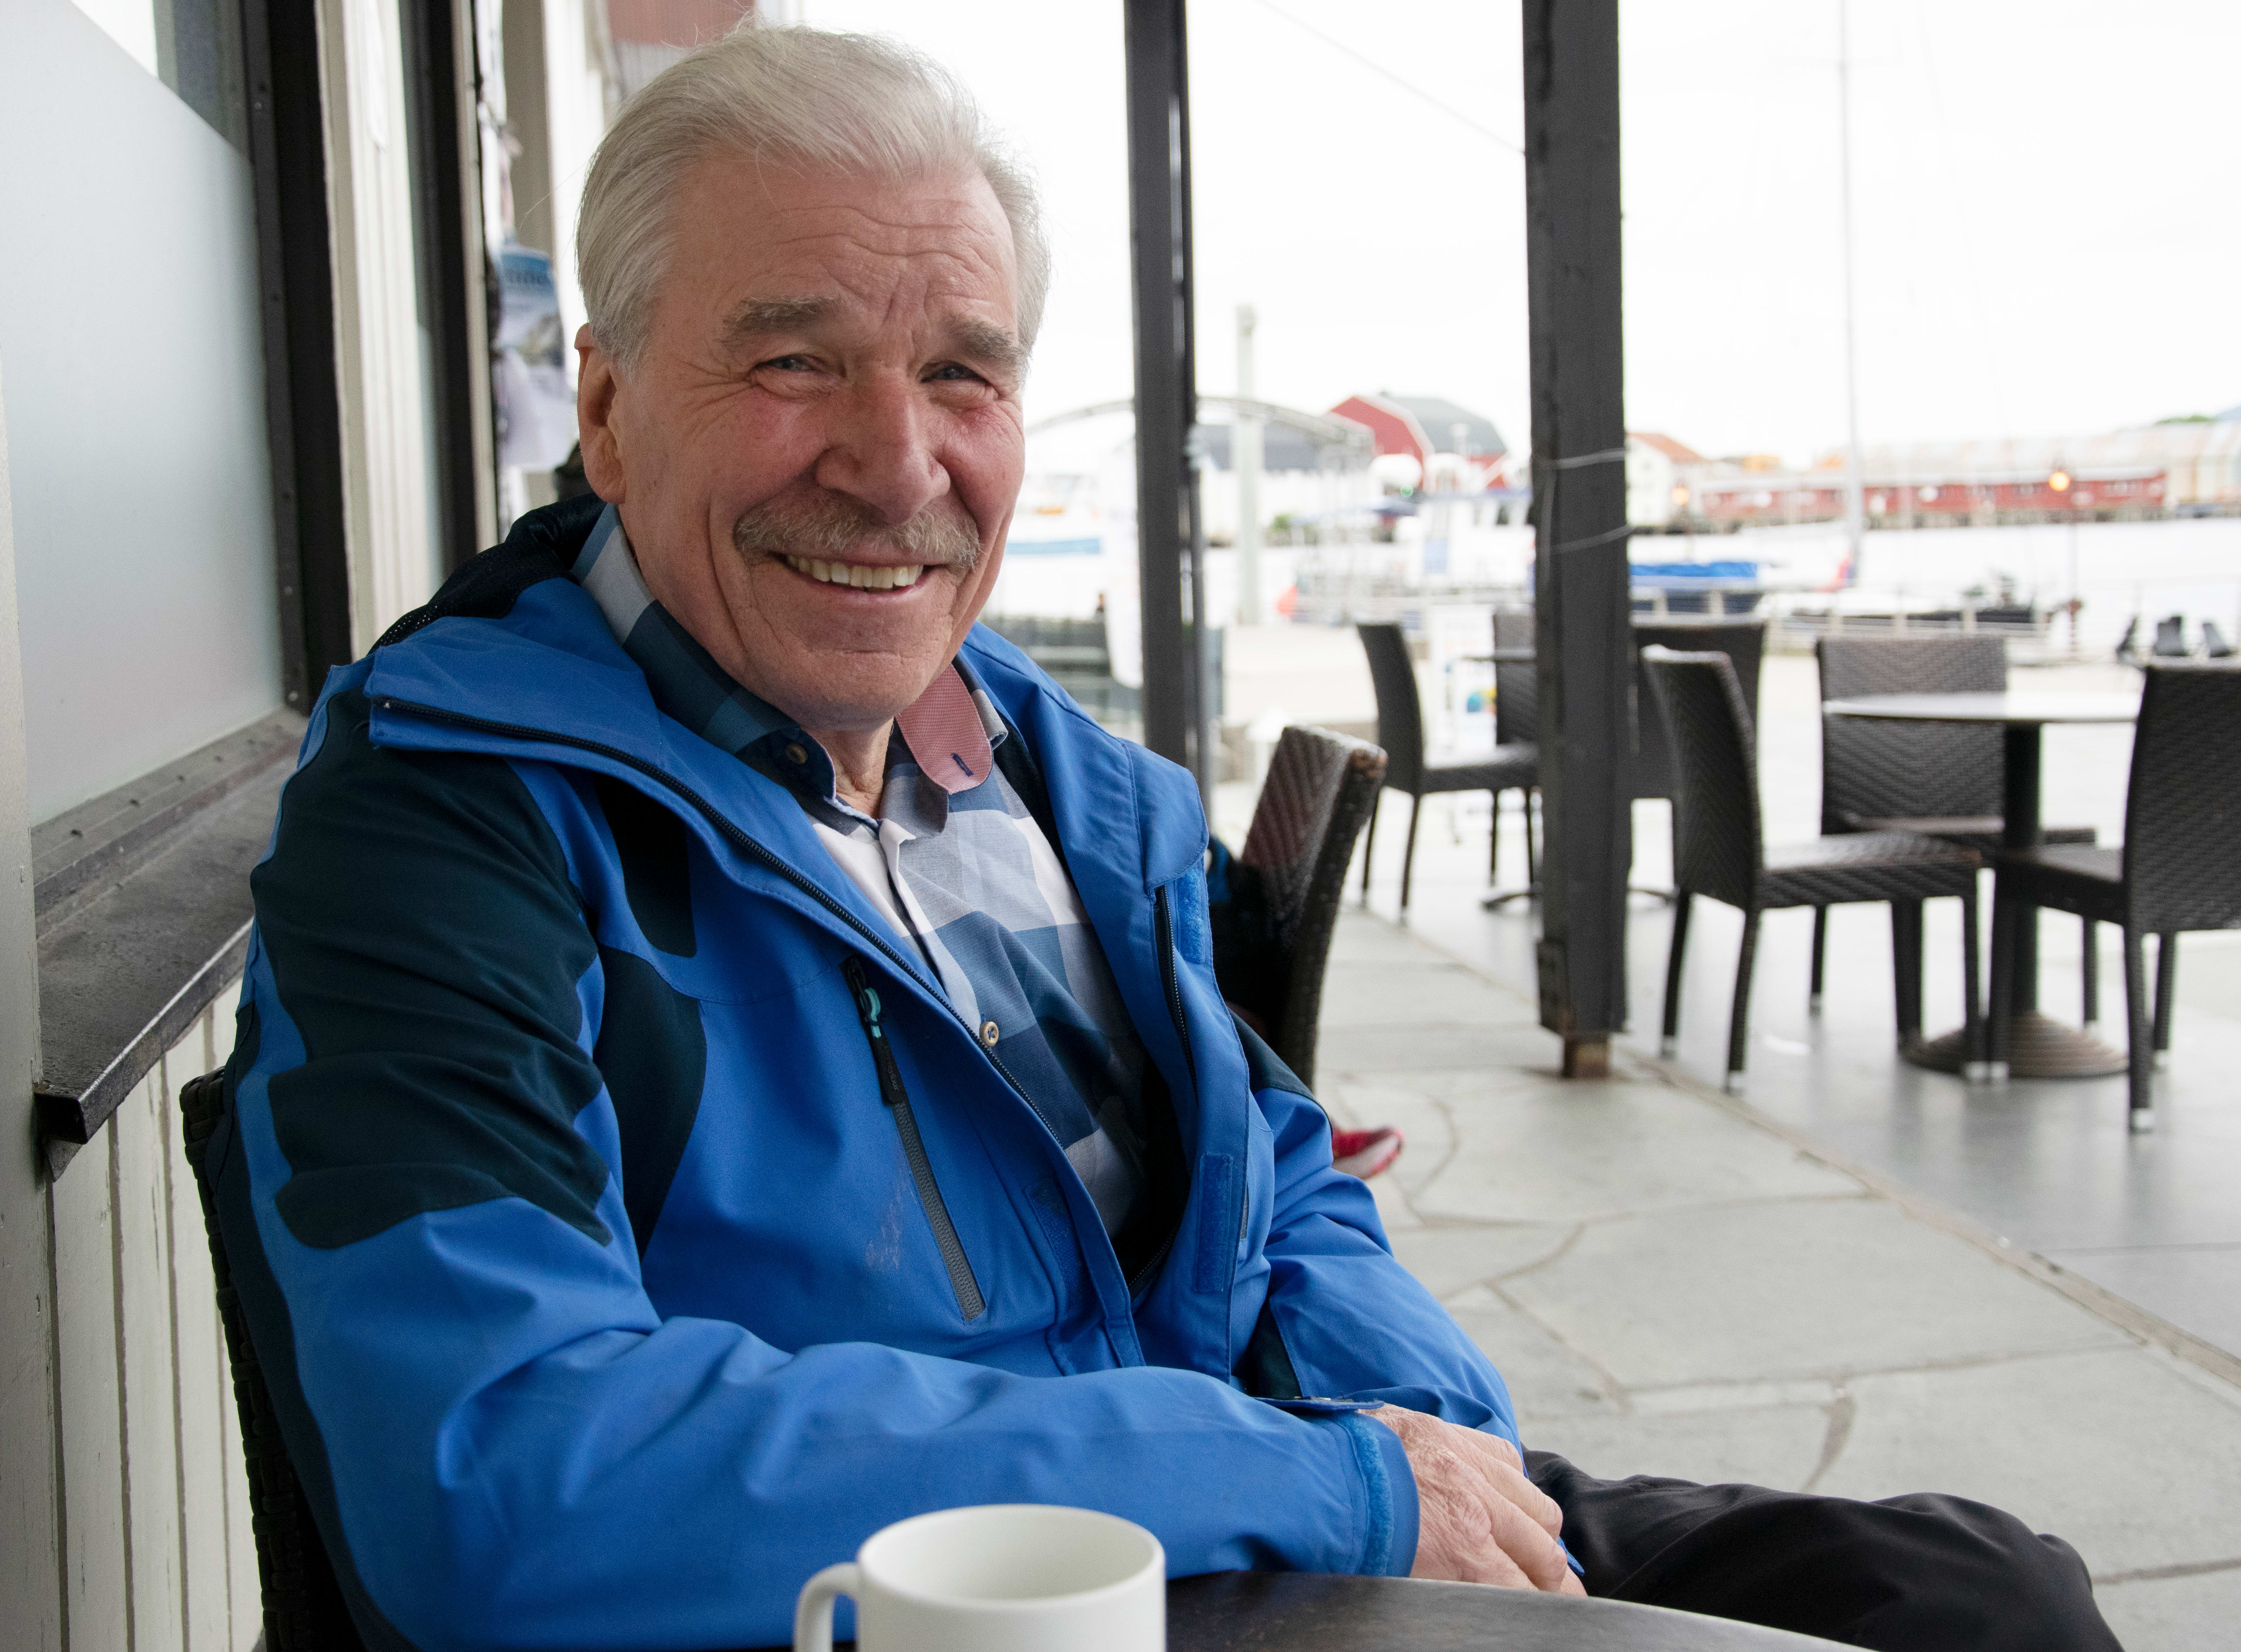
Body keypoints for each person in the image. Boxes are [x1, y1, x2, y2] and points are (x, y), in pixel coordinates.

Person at [206, 23, 2116, 1652]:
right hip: (927, 1603)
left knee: (1985, 1599)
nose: (896, 460)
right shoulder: (448, 828)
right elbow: (505, 1469)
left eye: (962, 372)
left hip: (1262, 1511)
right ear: (611, 409)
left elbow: (1277, 1164)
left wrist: (1420, 1444)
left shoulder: (1045, 768)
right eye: (792, 361)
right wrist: (1316, 1482)